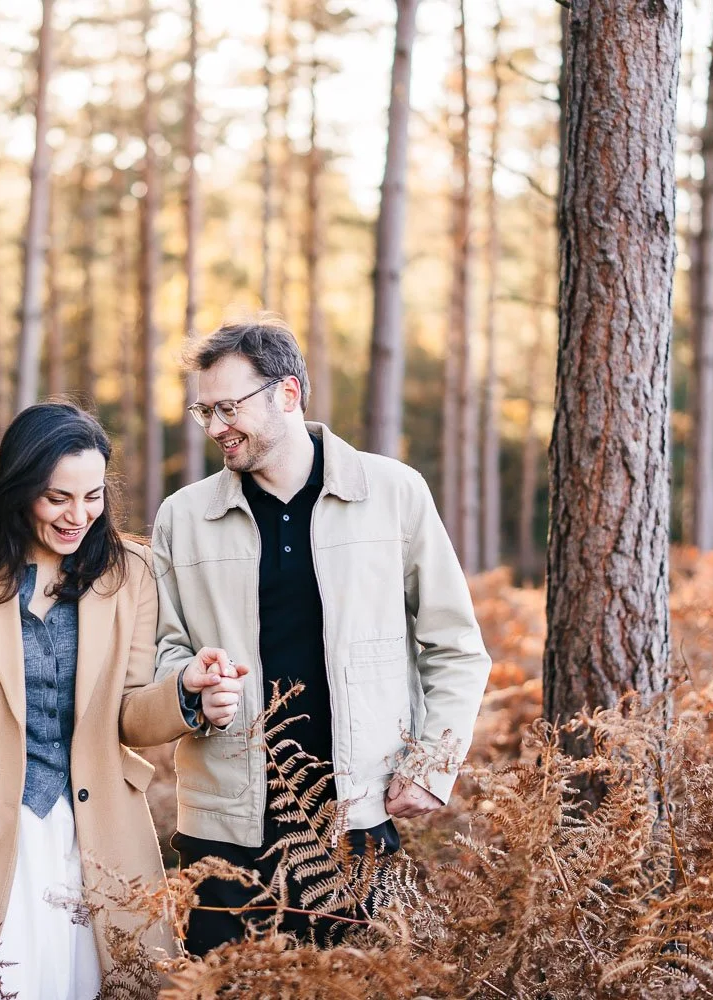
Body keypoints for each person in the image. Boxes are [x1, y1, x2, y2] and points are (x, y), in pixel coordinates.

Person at [152, 318, 493, 955]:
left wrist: (433, 766)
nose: (215, 427)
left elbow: (455, 646)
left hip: (354, 820)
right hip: (224, 826)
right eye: (204, 410)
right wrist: (189, 689)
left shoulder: (394, 493)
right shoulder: (181, 517)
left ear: (289, 392)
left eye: (229, 406)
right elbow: (162, 650)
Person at [0, 402, 244, 1000]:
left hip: (100, 841)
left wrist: (185, 694)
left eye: (92, 496)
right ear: (20, 487)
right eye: (58, 498)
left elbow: (129, 713)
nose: (78, 515)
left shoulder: (129, 572)